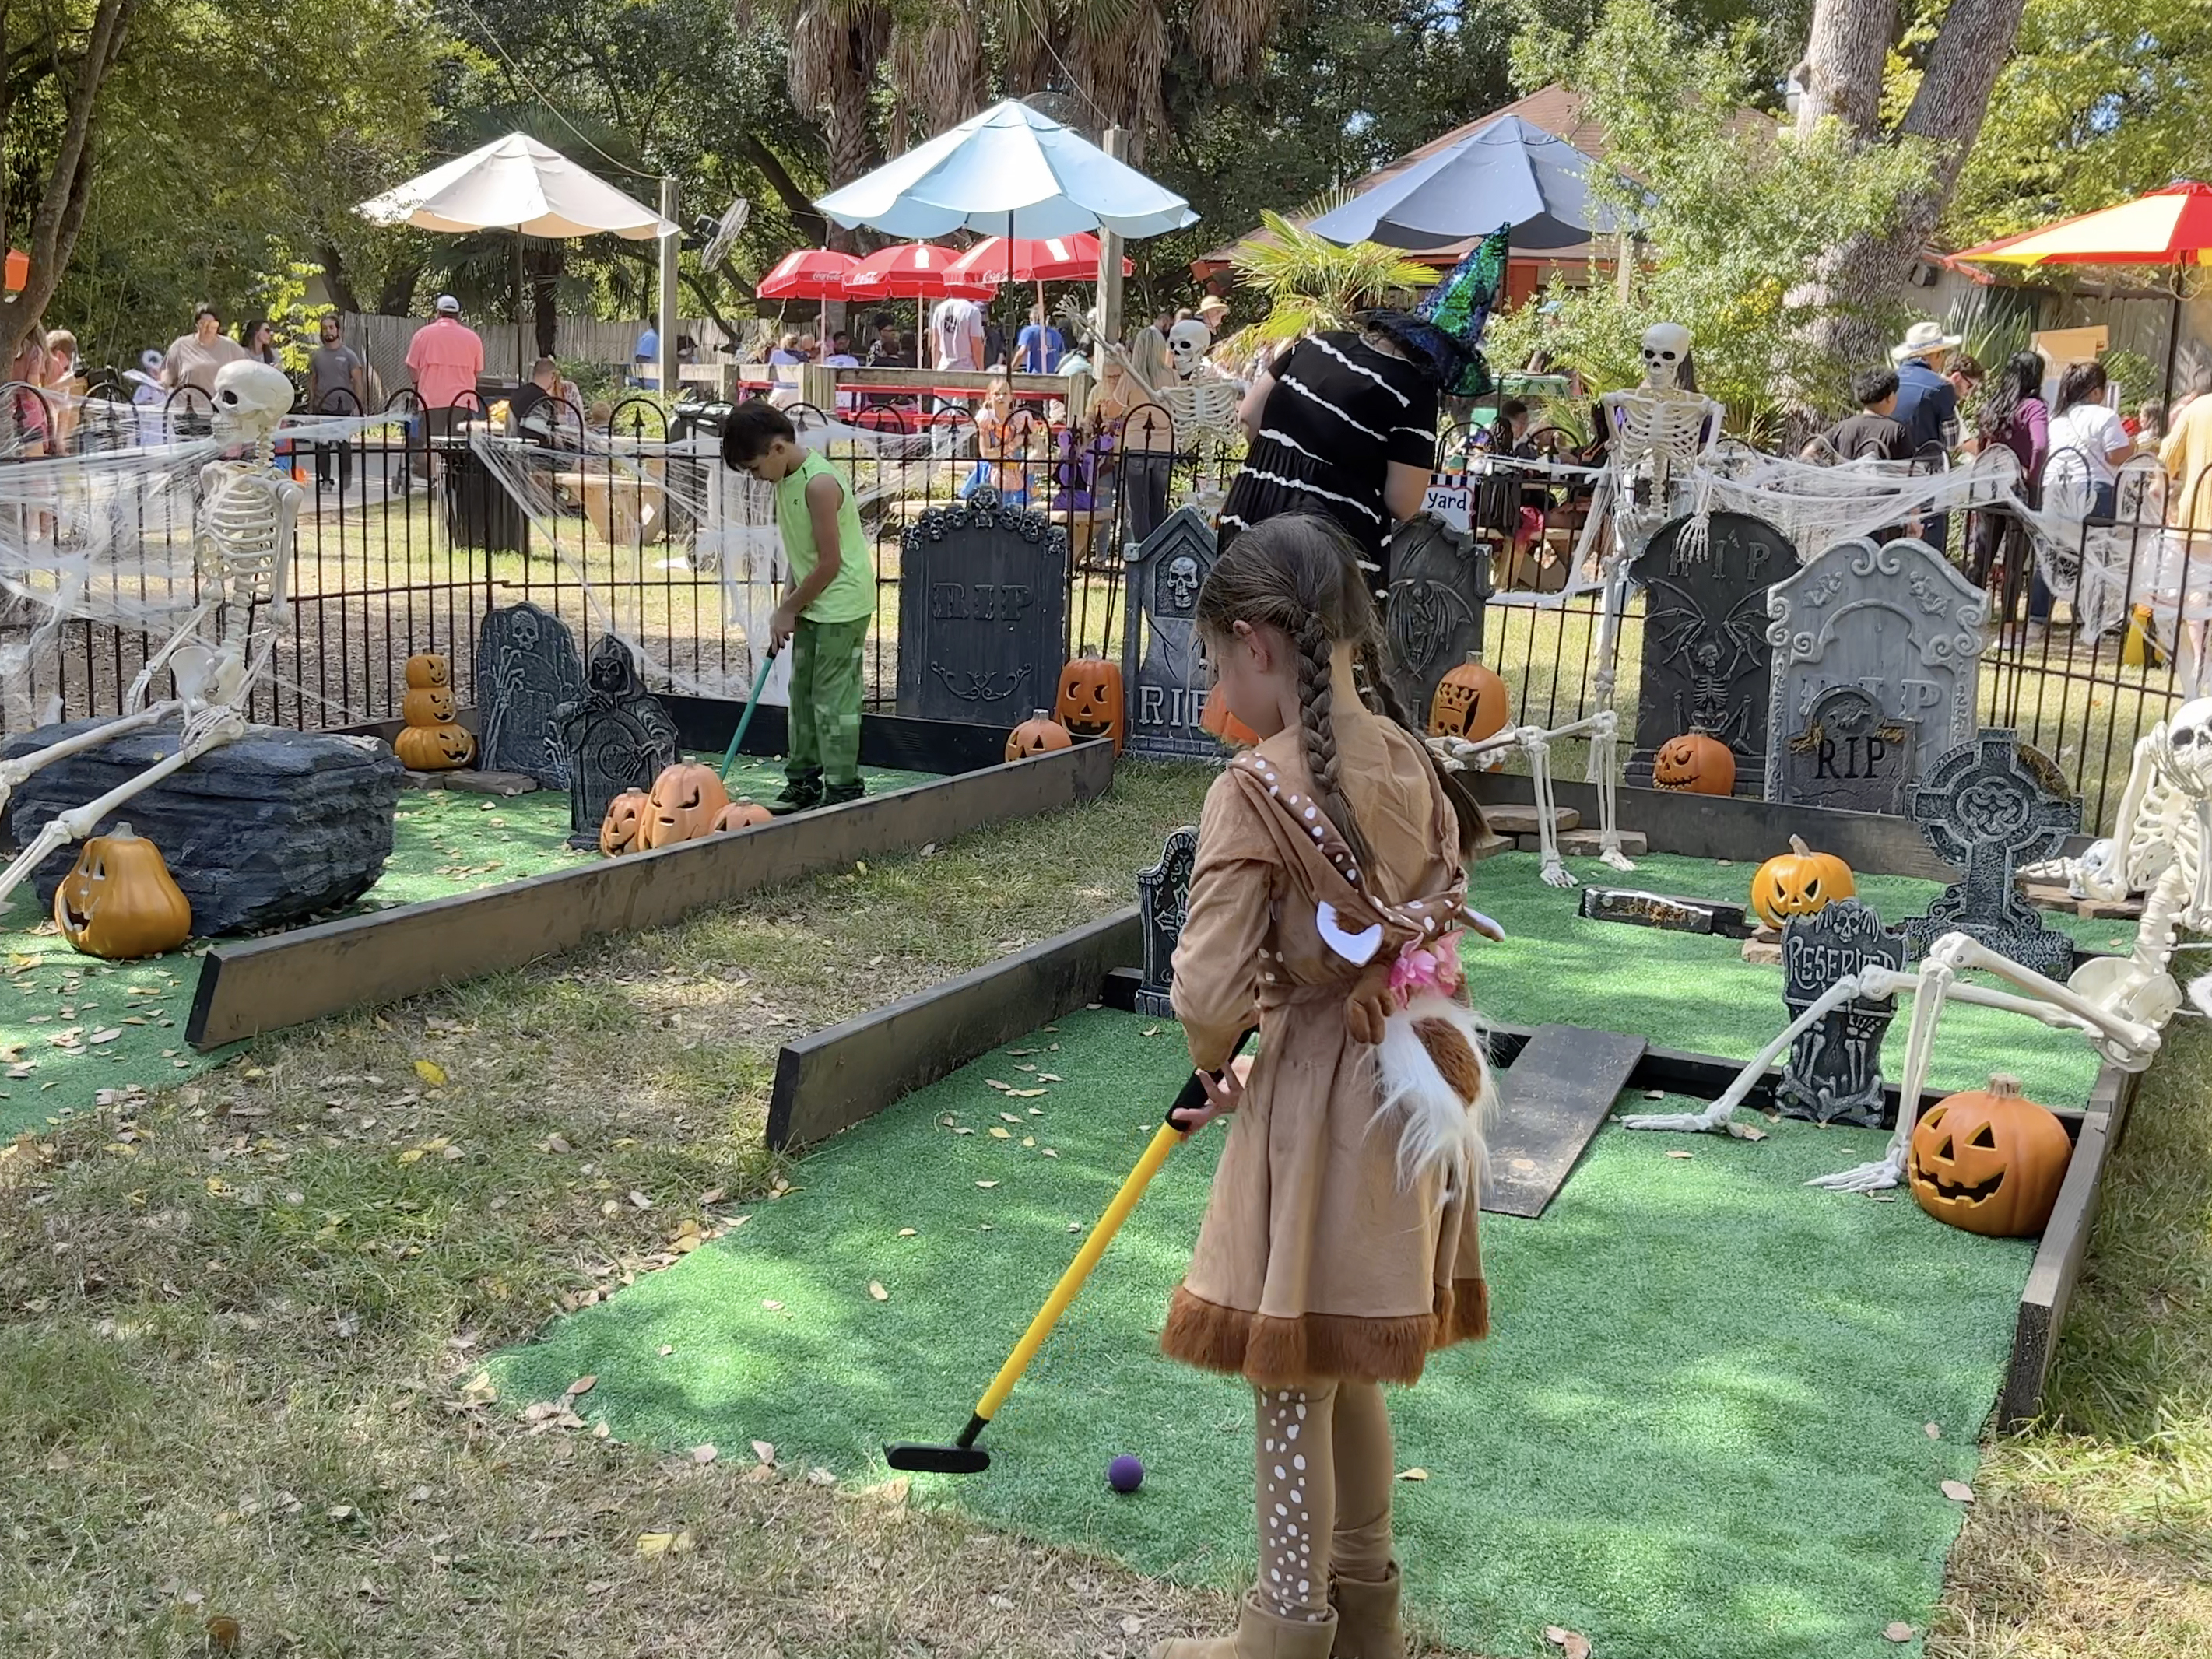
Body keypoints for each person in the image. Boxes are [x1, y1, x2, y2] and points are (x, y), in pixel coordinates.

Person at [1150, 513, 1497, 1659]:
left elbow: (1203, 985)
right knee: (1348, 1364)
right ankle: (1367, 1615)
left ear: (1255, 641)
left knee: (1294, 1372)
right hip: (1415, 1092)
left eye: (1210, 661)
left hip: (1320, 1104)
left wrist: (1216, 1056)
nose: (1215, 686)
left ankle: (1286, 1632)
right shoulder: (1412, 759)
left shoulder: (1252, 790)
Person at [719, 400, 877, 814]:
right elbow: (801, 554)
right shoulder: (784, 479)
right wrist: (787, 606)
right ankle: (803, 783)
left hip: (842, 604)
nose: (754, 479)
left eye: (754, 468)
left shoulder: (818, 484)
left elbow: (829, 563)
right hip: (813, 599)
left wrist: (789, 608)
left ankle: (844, 790)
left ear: (777, 449)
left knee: (832, 697)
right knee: (802, 694)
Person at [1962, 351, 2050, 609]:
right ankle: (2009, 623)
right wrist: (2033, 479)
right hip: (2019, 489)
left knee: (1982, 555)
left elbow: (1982, 443)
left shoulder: (1994, 404)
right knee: (2014, 557)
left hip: (1990, 486)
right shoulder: (2033, 407)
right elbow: (2040, 445)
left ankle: (1969, 611)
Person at [1889, 320, 1963, 551]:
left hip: (1888, 475)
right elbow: (1951, 441)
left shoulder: (1889, 381)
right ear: (1936, 355)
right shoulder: (1941, 388)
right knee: (1927, 551)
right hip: (1925, 479)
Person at [405, 295, 484, 482]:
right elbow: (477, 371)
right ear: (458, 315)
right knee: (457, 442)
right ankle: (454, 481)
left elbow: (411, 366)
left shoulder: (423, 335)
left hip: (431, 398)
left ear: (438, 314)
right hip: (463, 400)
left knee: (432, 441)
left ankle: (435, 482)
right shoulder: (473, 338)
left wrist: (417, 382)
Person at [2045, 360, 2134, 521]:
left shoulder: (2055, 419)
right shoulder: (2105, 416)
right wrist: (2133, 447)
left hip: (2054, 492)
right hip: (2093, 493)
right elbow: (2116, 457)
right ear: (2095, 392)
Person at [307, 314, 369, 491]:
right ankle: (325, 480)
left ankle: (346, 478)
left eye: (331, 328)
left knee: (344, 444)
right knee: (322, 445)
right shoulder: (317, 356)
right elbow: (313, 380)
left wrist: (358, 405)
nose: (328, 332)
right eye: (324, 328)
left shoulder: (349, 355)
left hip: (343, 406)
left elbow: (358, 381)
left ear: (339, 330)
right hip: (323, 406)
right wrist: (312, 404)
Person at [1803, 367, 1913, 463]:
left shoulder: (1842, 427)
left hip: (1846, 486)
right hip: (1881, 487)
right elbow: (1910, 469)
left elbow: (1807, 454)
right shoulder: (1895, 430)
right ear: (1889, 397)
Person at [163, 303, 249, 401]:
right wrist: (163, 384)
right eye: (203, 324)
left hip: (219, 411)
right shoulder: (180, 346)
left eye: (212, 325)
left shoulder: (231, 347)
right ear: (197, 325)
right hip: (186, 410)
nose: (208, 329)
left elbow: (246, 374)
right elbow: (168, 372)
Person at [1013, 302, 1064, 374]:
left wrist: (1011, 369)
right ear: (1046, 319)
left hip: (1035, 378)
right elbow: (1062, 356)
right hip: (1053, 377)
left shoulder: (1029, 332)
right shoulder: (1057, 335)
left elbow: (1023, 352)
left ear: (1031, 318)